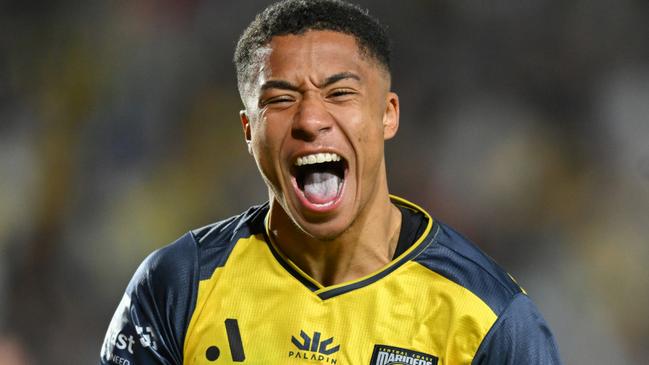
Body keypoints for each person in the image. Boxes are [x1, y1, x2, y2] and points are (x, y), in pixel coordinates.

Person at [100, 0, 562, 364]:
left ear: (388, 114)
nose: (311, 119)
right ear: (247, 130)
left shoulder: (490, 318)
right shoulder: (178, 285)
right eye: (280, 99)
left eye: (340, 93)